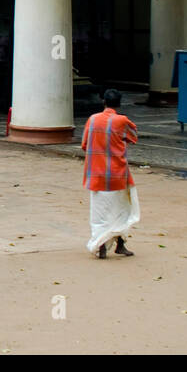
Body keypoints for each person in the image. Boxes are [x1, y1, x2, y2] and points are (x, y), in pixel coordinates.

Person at [81, 88, 139, 259]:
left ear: (103, 102)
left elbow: (85, 144)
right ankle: (120, 244)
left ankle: (101, 247)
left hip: (96, 175)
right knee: (123, 211)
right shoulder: (122, 121)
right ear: (119, 104)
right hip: (118, 175)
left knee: (99, 214)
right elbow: (134, 137)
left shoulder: (92, 120)